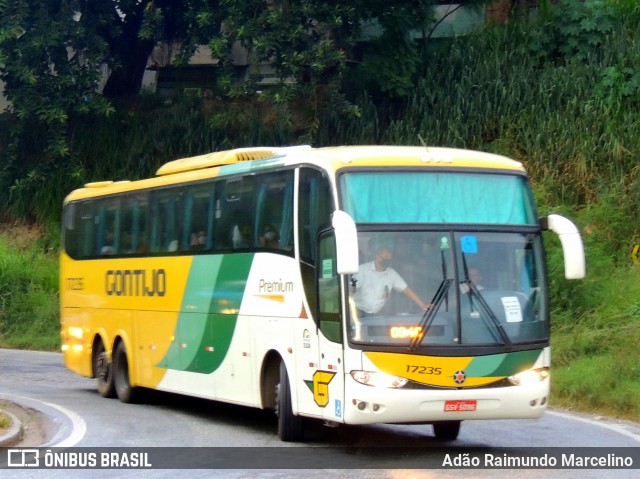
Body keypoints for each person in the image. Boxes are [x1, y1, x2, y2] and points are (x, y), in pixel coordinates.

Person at [352, 246, 430, 316]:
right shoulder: (362, 270)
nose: (388, 259)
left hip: (378, 314)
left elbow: (406, 290)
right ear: (377, 257)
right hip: (359, 313)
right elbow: (351, 289)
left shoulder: (391, 274)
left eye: (390, 257)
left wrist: (422, 305)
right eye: (386, 257)